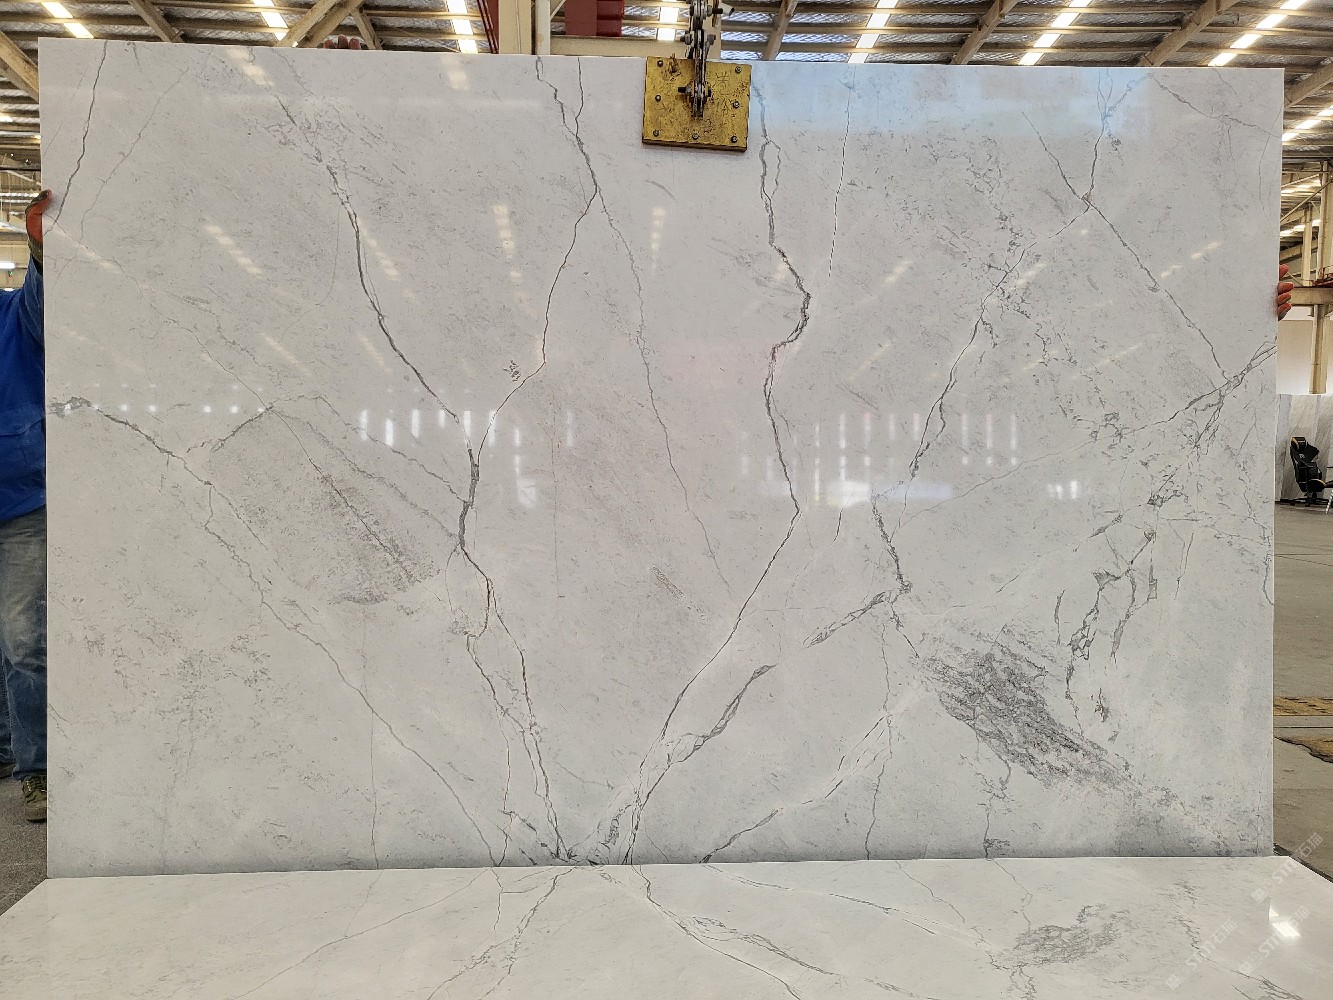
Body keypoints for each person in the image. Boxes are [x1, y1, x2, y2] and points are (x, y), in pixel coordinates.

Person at [0, 190, 50, 823]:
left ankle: (37, 771)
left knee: (23, 642)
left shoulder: (13, 315)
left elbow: (43, 304)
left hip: (23, 504)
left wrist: (38, 249)